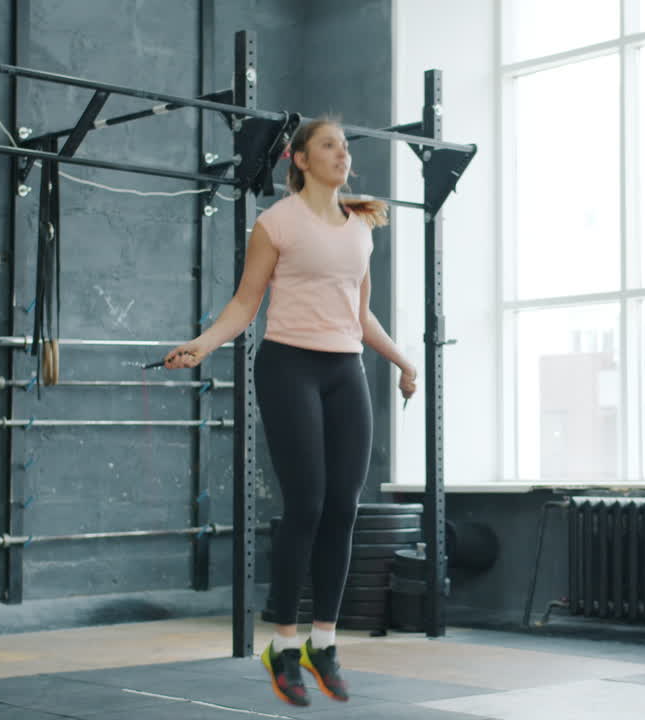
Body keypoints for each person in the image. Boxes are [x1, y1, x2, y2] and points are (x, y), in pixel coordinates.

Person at [164, 116, 417, 707]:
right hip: (288, 367)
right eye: (329, 145)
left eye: (345, 146)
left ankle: (322, 643)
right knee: (306, 504)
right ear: (300, 160)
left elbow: (361, 315)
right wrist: (202, 344)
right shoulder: (276, 223)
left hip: (345, 370)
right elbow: (245, 305)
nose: (342, 154)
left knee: (343, 508)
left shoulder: (360, 228)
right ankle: (282, 646)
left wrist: (403, 361)